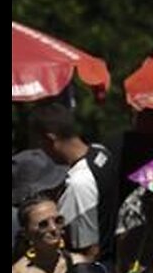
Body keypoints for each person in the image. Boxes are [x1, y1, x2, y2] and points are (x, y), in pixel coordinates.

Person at [30, 101, 118, 261]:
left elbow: (88, 251)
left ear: (50, 140)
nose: (41, 150)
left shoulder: (79, 184)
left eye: (40, 143)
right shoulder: (100, 152)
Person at [13, 195, 88, 273]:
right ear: (26, 234)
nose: (53, 228)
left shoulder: (79, 265)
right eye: (43, 224)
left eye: (58, 221)